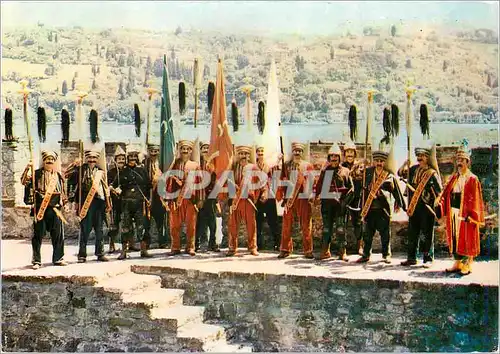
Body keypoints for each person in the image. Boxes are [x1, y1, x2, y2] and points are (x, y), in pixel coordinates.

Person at [435, 140, 485, 275]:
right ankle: (457, 262)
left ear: (468, 162)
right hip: (454, 212)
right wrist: (440, 201)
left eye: (462, 160)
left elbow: (476, 199)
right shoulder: (454, 178)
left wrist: (473, 216)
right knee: (456, 237)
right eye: (458, 160)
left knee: (468, 237)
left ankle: (468, 264)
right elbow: (446, 193)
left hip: (467, 214)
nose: (459, 162)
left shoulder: (472, 179)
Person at [356, 143, 405, 264]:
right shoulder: (367, 173)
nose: (379, 163)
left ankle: (386, 255)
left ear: (384, 162)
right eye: (377, 161)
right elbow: (358, 184)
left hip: (383, 209)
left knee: (385, 235)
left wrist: (402, 205)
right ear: (373, 161)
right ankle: (366, 254)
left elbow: (396, 192)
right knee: (367, 235)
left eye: (381, 161)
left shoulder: (388, 176)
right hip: (369, 209)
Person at [21, 147, 67, 269]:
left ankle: (58, 258)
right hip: (40, 208)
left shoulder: (58, 176)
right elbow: (24, 181)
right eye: (47, 159)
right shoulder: (36, 174)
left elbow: (63, 192)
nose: (50, 161)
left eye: (52, 159)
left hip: (55, 209)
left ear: (54, 162)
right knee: (38, 235)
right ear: (44, 160)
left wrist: (64, 203)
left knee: (58, 235)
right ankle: (36, 261)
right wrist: (27, 167)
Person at [398, 141, 442, 267]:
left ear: (427, 158)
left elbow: (439, 191)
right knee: (412, 233)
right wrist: (404, 164)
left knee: (427, 234)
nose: (420, 158)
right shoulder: (413, 170)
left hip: (426, 207)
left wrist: (437, 200)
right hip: (414, 206)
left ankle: (428, 258)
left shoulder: (432, 174)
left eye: (422, 156)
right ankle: (411, 258)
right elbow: (400, 174)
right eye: (418, 156)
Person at [66, 145, 111, 263]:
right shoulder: (80, 170)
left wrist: (107, 203)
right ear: (86, 158)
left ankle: (100, 253)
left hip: (99, 204)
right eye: (89, 158)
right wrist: (74, 164)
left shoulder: (100, 171)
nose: (91, 160)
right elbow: (68, 176)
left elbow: (105, 188)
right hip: (86, 202)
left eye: (94, 158)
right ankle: (82, 255)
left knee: (99, 230)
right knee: (85, 230)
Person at [276, 142, 315, 259]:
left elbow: (312, 182)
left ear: (302, 153)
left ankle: (308, 250)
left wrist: (311, 194)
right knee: (286, 225)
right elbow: (282, 180)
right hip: (289, 199)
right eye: (295, 151)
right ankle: (285, 249)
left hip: (303, 198)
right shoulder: (286, 165)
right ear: (292, 152)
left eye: (299, 151)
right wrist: (281, 193)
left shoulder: (307, 166)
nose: (297, 153)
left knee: (306, 225)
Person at [315, 142, 352, 260]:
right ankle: (325, 251)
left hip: (340, 206)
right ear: (329, 158)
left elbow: (351, 189)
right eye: (332, 157)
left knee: (341, 229)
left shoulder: (345, 171)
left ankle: (342, 252)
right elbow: (319, 187)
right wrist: (316, 196)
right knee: (326, 229)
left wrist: (345, 202)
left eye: (336, 157)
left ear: (340, 158)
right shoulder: (325, 172)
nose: (334, 159)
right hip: (327, 205)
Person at [165, 140, 203, 256]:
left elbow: (200, 183)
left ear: (191, 151)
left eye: (188, 149)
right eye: (183, 148)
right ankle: (175, 247)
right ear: (179, 150)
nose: (185, 151)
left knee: (191, 225)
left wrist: (200, 199)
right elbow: (168, 181)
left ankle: (190, 247)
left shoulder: (195, 165)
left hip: (190, 200)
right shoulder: (174, 164)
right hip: (176, 200)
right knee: (174, 225)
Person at [226, 144, 264, 257]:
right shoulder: (233, 167)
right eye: (241, 153)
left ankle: (252, 248)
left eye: (245, 154)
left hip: (248, 200)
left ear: (248, 155)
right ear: (238, 155)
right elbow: (227, 181)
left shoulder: (253, 167)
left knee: (251, 225)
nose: (243, 156)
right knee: (232, 225)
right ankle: (232, 248)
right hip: (235, 200)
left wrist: (261, 194)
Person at [116, 144, 152, 260]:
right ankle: (124, 252)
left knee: (142, 227)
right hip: (126, 203)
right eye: (130, 157)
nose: (132, 159)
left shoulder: (142, 170)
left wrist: (149, 199)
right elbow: (114, 185)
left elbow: (149, 186)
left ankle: (144, 250)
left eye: (134, 157)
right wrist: (115, 190)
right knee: (125, 228)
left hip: (140, 203)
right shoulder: (122, 171)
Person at [143, 139, 169, 249]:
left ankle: (162, 241)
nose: (154, 153)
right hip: (147, 195)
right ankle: (146, 243)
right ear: (148, 151)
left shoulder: (162, 163)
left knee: (160, 220)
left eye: (156, 151)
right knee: (146, 221)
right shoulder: (144, 164)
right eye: (152, 151)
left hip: (159, 196)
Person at [255, 143, 281, 251]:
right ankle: (258, 244)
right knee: (258, 221)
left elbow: (275, 175)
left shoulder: (269, 166)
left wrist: (279, 160)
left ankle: (277, 243)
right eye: (258, 152)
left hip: (269, 196)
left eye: (262, 152)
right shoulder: (254, 166)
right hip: (257, 196)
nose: (260, 154)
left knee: (273, 221)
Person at [195, 142, 220, 252]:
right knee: (199, 222)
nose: (205, 150)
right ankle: (196, 244)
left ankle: (212, 243)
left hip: (211, 197)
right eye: (203, 148)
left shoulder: (214, 163)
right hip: (200, 196)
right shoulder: (197, 164)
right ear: (200, 150)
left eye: (207, 148)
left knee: (212, 222)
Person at [342, 140, 364, 255]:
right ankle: (343, 248)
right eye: (347, 152)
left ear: (355, 154)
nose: (349, 154)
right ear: (344, 154)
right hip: (345, 198)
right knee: (343, 223)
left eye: (351, 152)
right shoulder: (341, 167)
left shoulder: (360, 166)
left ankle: (360, 246)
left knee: (358, 223)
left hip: (357, 199)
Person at [106, 145, 126, 253]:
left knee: (127, 224)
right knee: (114, 224)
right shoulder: (111, 172)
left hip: (125, 201)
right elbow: (108, 185)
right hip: (115, 201)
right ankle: (111, 244)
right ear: (115, 160)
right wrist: (113, 189)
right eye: (119, 159)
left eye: (123, 159)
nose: (121, 161)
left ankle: (128, 245)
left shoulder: (128, 171)